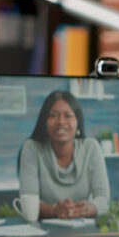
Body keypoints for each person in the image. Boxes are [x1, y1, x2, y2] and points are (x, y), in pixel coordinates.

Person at [19, 90, 110, 219]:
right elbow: (29, 203)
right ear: (45, 122)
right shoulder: (32, 148)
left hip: (82, 229)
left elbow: (103, 198)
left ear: (77, 121)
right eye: (53, 115)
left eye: (68, 116)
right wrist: (55, 210)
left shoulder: (91, 147)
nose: (61, 122)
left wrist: (88, 209)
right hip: (43, 232)